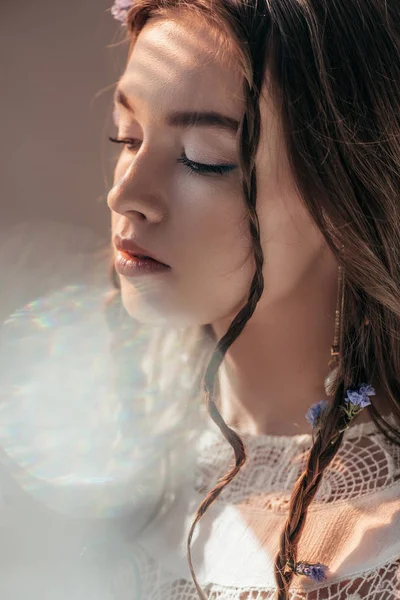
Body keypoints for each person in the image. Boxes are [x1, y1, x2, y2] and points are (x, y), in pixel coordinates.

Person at [0, 1, 398, 599]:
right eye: (127, 136)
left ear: (345, 192)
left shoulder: (379, 543)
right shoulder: (82, 449)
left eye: (202, 158)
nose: (125, 193)